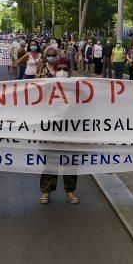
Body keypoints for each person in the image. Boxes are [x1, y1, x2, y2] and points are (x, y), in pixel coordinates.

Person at [39, 55, 79, 205]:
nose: (62, 71)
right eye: (59, 69)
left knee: (70, 163)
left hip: (71, 131)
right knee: (51, 162)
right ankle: (45, 191)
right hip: (51, 131)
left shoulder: (77, 88)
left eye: (65, 69)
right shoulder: (48, 86)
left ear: (69, 71)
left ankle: (70, 191)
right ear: (54, 71)